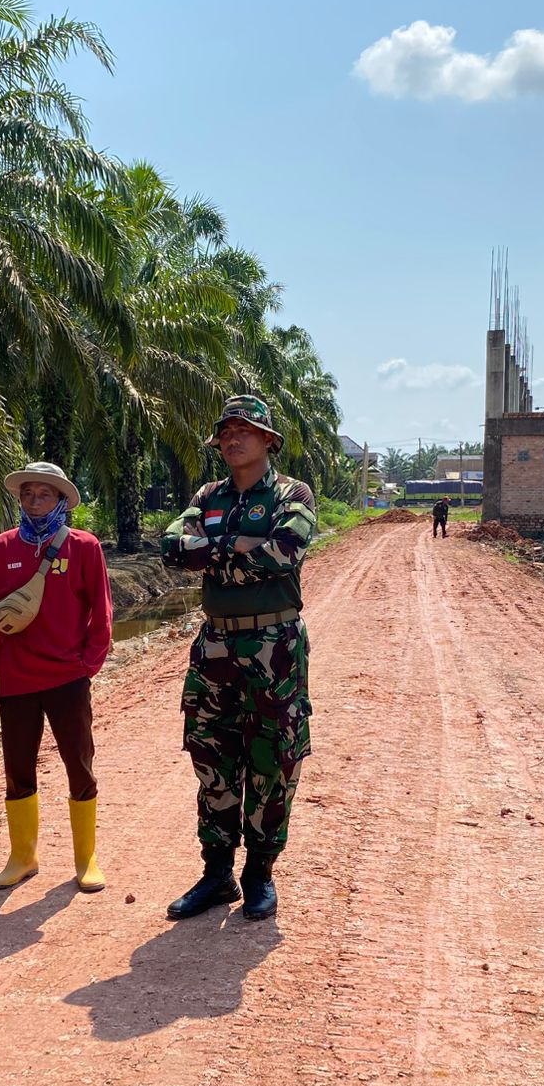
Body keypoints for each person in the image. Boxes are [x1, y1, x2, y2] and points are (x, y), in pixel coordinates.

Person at [160, 395, 317, 922]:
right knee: (213, 760)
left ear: (268, 439)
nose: (233, 438)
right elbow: (172, 548)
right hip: (215, 647)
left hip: (274, 645)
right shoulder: (207, 495)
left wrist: (212, 549)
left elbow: (284, 552)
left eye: (244, 430)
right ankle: (217, 873)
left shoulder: (292, 493)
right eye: (226, 431)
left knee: (273, 761)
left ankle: (259, 875)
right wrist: (241, 545)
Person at [0, 461, 113, 893]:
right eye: (28, 493)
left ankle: (85, 858)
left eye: (45, 494)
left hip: (68, 678)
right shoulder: (1, 547)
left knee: (79, 765)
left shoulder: (84, 546)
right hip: (17, 681)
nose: (35, 501)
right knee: (17, 769)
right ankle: (23, 856)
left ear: (61, 500)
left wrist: (87, 666)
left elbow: (101, 613)